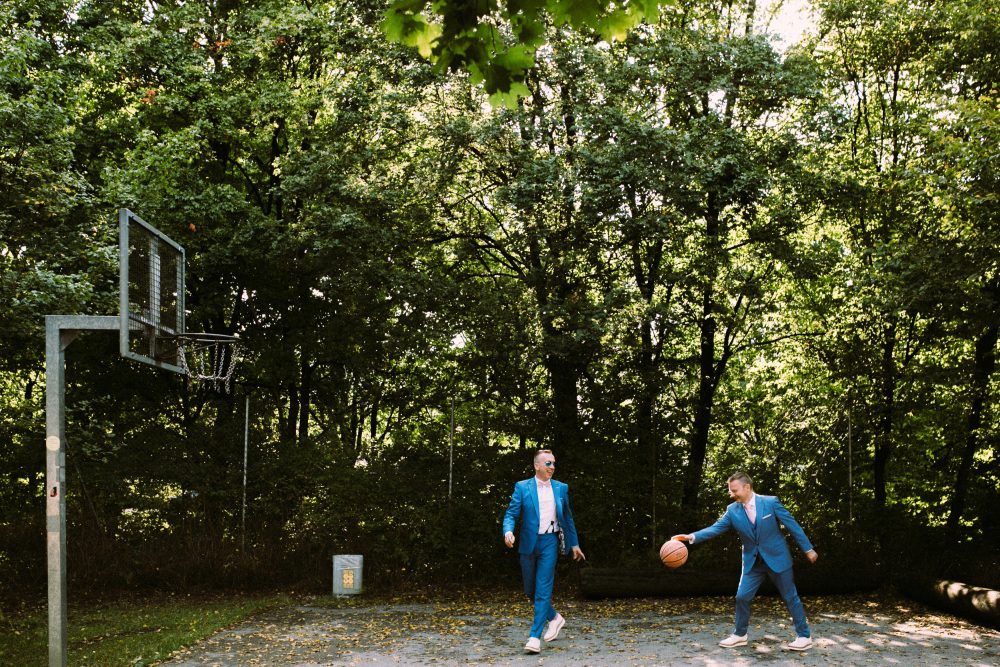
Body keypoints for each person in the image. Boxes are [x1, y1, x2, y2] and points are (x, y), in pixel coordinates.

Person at [672, 472, 818, 652]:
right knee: (742, 596)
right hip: (752, 562)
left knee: (790, 597)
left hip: (777, 558)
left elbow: (792, 525)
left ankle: (804, 636)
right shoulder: (732, 510)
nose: (731, 494)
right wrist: (691, 536)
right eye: (730, 491)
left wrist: (808, 549)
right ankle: (740, 635)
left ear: (747, 487)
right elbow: (716, 528)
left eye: (734, 490)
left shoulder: (770, 502)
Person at [502, 448, 585, 654]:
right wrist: (508, 531)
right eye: (548, 463)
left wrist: (574, 543)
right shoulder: (522, 487)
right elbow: (511, 513)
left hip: (550, 542)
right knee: (530, 591)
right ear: (537, 466)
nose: (552, 467)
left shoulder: (561, 488)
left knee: (542, 590)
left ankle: (534, 637)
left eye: (554, 463)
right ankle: (555, 618)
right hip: (529, 544)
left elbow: (568, 518)